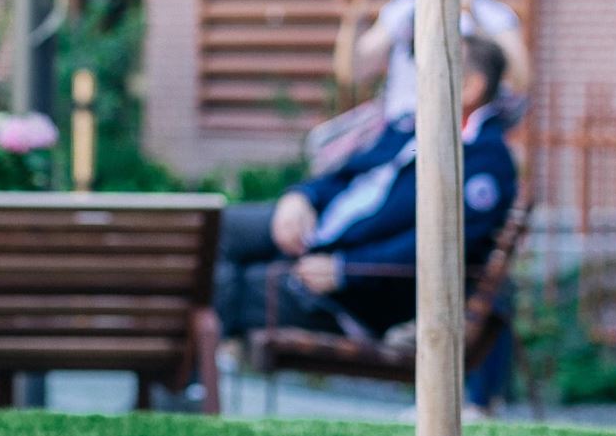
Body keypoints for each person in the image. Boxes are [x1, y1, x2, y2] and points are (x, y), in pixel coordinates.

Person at [216, 37, 518, 407]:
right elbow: (344, 173)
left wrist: (346, 270)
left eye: (431, 71)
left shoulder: (484, 161)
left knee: (232, 284)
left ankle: (188, 381)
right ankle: (188, 374)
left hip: (351, 291)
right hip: (317, 228)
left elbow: (438, 245)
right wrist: (302, 196)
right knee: (213, 228)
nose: (417, 82)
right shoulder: (412, 126)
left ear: (471, 86)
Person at [334, 0, 532, 122]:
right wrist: (352, 19)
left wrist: (471, 13)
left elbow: (520, 80)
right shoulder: (405, 8)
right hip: (406, 131)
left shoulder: (493, 15)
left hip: (470, 136)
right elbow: (353, 72)